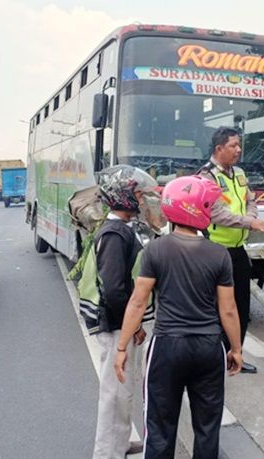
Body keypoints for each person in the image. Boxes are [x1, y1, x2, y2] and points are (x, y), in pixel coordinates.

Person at [114, 175, 243, 458]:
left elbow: (138, 302)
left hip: (167, 347)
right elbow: (229, 309)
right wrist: (235, 348)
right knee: (207, 429)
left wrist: (122, 346)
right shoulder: (219, 254)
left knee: (159, 426)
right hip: (209, 348)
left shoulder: (156, 250)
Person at [92, 165, 158, 459]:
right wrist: (134, 325)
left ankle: (118, 444)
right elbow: (115, 290)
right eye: (137, 193)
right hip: (118, 324)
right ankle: (106, 453)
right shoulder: (114, 234)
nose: (142, 199)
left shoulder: (122, 229)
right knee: (115, 394)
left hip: (123, 323)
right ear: (123, 197)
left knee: (124, 391)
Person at [198, 126, 264, 374]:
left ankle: (235, 355)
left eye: (239, 145)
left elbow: (250, 200)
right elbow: (217, 213)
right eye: (233, 145)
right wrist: (250, 222)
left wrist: (251, 216)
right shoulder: (206, 177)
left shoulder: (239, 173)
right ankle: (215, 359)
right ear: (219, 149)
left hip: (238, 251)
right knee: (217, 309)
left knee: (242, 307)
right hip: (215, 250)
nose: (239, 150)